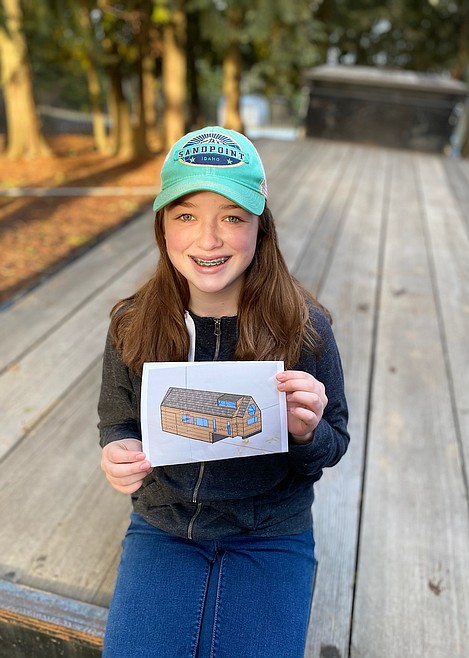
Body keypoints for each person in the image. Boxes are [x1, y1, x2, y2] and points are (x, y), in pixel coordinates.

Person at [98, 126, 349, 658]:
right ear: (162, 226)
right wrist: (118, 451)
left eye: (232, 217)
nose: (208, 240)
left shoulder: (305, 329)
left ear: (261, 226)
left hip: (272, 529)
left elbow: (334, 444)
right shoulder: (132, 324)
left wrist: (307, 432)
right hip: (164, 522)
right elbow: (117, 421)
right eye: (186, 215)